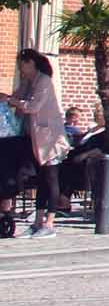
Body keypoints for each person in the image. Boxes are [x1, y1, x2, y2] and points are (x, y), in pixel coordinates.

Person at [4, 50, 68, 238]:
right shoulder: (29, 82)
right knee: (42, 180)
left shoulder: (44, 81)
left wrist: (12, 101)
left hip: (50, 139)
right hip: (36, 140)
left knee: (51, 179)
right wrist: (8, 98)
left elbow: (33, 106)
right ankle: (37, 222)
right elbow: (17, 97)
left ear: (30, 62)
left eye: (22, 65)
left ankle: (49, 223)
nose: (20, 69)